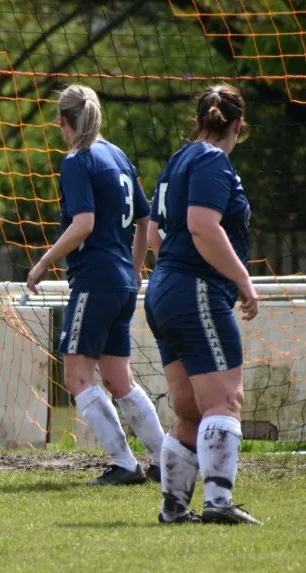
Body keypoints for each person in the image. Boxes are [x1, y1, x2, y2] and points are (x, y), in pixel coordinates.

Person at [26, 84, 166, 486]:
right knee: (120, 380)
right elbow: (144, 219)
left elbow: (83, 224)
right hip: (121, 281)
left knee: (76, 377)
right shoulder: (118, 155)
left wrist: (43, 262)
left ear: (62, 121)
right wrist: (136, 268)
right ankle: (164, 459)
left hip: (95, 279)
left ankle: (124, 464)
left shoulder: (77, 160)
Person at [145, 85, 261, 525]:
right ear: (237, 125)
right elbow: (201, 225)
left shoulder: (178, 161)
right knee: (225, 402)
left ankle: (174, 508)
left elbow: (155, 236)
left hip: (166, 289)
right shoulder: (215, 160)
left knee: (191, 410)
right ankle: (218, 504)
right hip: (195, 289)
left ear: (199, 119)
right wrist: (242, 278)